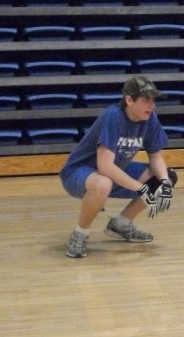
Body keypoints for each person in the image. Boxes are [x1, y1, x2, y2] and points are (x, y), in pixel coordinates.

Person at [61, 75, 176, 258]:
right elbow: (105, 166)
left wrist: (165, 183)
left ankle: (121, 224)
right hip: (78, 173)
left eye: (153, 100)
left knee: (165, 177)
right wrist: (141, 188)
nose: (151, 105)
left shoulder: (149, 117)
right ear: (129, 100)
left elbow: (155, 156)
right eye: (146, 100)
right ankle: (80, 234)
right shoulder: (113, 116)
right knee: (103, 183)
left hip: (113, 172)